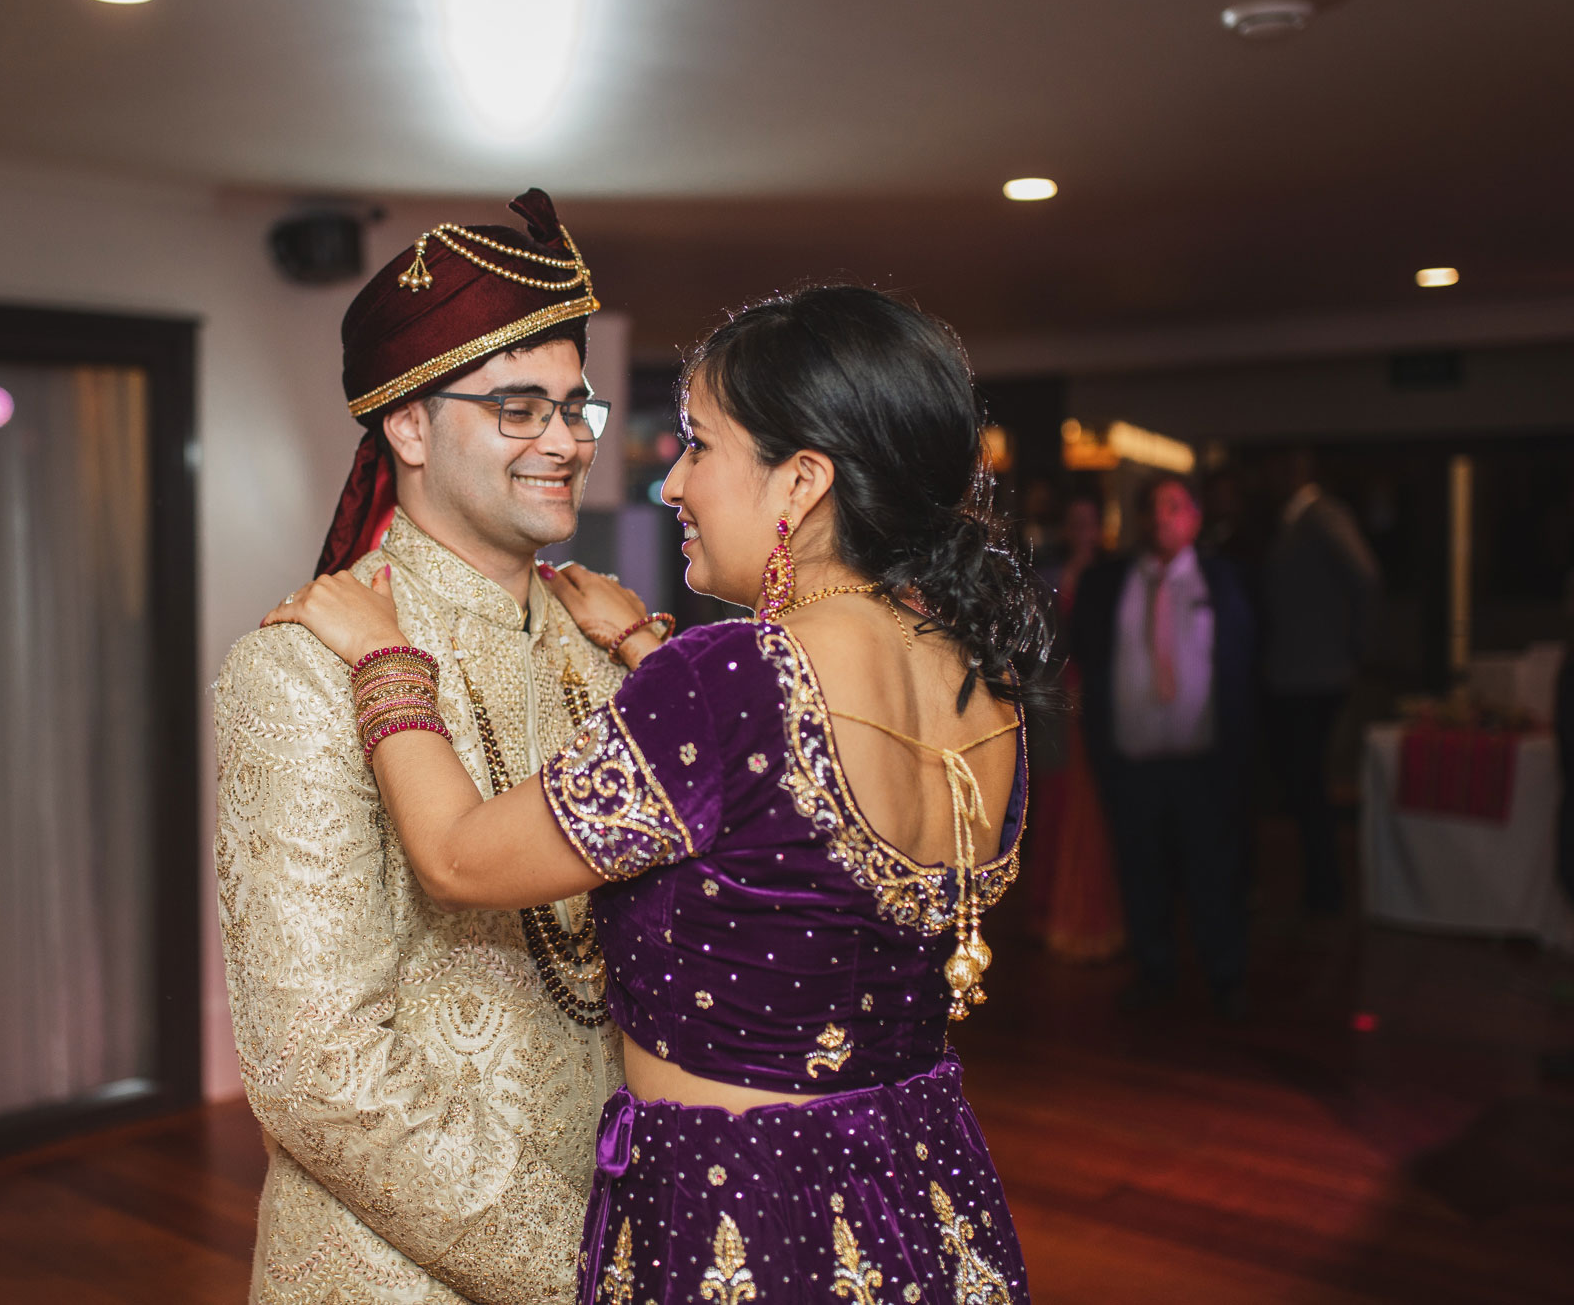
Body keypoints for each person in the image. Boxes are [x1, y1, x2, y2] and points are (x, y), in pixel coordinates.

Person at [269, 285, 1052, 1304]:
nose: (669, 482)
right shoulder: (979, 682)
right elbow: (782, 831)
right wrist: (643, 644)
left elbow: (459, 858)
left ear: (802, 481)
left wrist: (384, 661)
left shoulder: (724, 680)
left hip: (749, 1223)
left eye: (699, 444)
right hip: (924, 1203)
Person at [215, 189, 658, 1304]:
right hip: (393, 1271)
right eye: (518, 408)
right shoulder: (301, 667)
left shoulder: (605, 641)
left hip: (631, 1226)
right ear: (406, 427)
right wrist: (579, 1266)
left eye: (575, 408)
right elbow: (314, 1068)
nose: (564, 442)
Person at [1070, 475, 1255, 1018]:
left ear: (1194, 518)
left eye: (1174, 508)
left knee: (1213, 876)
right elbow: (1086, 659)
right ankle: (1154, 974)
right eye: (1151, 509)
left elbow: (1245, 667)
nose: (1161, 519)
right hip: (1132, 764)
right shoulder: (1109, 584)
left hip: (1205, 764)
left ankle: (1226, 979)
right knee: (1141, 875)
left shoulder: (1223, 582)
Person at [1262, 447, 1380, 915]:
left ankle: (1325, 890)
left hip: (1316, 674)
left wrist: (1355, 646)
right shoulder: (1294, 520)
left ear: (1295, 471)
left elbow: (1365, 575)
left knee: (1309, 781)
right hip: (1296, 672)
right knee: (1302, 780)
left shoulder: (1322, 515)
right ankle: (1319, 885)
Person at [1029, 493, 1124, 961]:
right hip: (1060, 709)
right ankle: (1054, 909)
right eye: (1074, 523)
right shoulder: (1047, 578)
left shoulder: (1116, 576)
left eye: (1089, 522)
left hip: (1103, 709)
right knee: (1057, 805)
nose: (1082, 532)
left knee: (1098, 810)